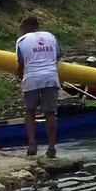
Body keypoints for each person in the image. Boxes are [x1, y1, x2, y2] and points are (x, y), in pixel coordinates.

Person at [16, 16, 61, 158]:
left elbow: (21, 64)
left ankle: (32, 144)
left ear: (26, 26)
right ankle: (51, 147)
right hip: (50, 77)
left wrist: (19, 76)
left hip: (32, 79)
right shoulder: (50, 37)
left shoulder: (22, 40)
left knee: (30, 112)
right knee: (50, 113)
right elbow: (58, 55)